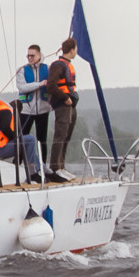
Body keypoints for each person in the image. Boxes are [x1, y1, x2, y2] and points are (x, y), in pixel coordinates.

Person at [46, 37, 81, 177]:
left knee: (66, 136)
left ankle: (62, 166)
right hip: (62, 105)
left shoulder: (67, 64)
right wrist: (65, 98)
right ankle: (55, 168)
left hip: (71, 106)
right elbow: (51, 86)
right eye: (76, 49)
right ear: (72, 50)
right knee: (60, 136)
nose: (76, 51)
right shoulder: (58, 65)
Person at [17, 44, 50, 165]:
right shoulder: (21, 70)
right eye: (28, 56)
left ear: (39, 55)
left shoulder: (48, 69)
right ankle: (17, 164)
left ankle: (42, 166)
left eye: (32, 55)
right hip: (26, 110)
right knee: (22, 138)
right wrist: (39, 84)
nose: (29, 58)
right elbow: (22, 87)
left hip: (43, 109)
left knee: (42, 140)